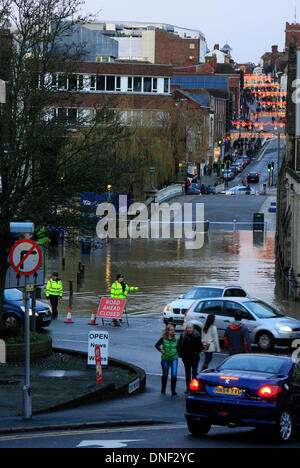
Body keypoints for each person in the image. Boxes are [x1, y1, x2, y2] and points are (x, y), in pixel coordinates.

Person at [155, 324, 179, 396]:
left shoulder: (176, 338)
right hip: (165, 359)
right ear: (168, 331)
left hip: (174, 358)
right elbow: (156, 345)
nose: (173, 331)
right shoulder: (163, 338)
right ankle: (163, 389)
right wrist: (161, 350)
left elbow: (179, 347)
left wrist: (177, 353)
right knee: (165, 374)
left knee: (174, 375)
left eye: (173, 330)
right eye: (171, 330)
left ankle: (173, 391)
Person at [179, 323, 203, 394]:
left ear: (193, 329)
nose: (189, 329)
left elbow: (200, 347)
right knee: (187, 373)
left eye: (190, 328)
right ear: (186, 329)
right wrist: (181, 354)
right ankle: (188, 388)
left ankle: (194, 387)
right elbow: (180, 346)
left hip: (194, 357)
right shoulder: (183, 336)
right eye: (188, 328)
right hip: (186, 357)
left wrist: (197, 352)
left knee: (194, 372)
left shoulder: (197, 336)